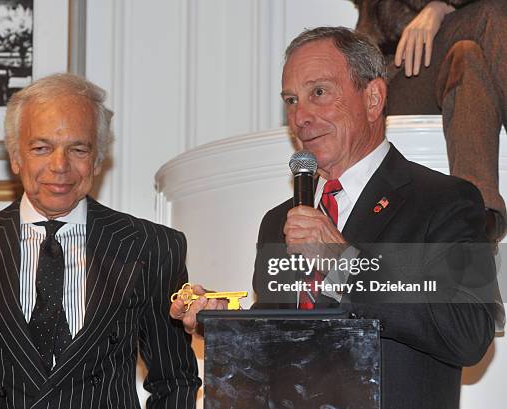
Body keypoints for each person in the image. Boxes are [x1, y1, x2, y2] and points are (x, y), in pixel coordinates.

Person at [170, 27, 499, 409]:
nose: (301, 117)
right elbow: (281, 347)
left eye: (319, 93)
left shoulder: (445, 200)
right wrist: (223, 323)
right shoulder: (279, 220)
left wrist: (343, 263)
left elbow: (469, 333)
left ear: (373, 98)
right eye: (291, 100)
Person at [0, 73, 201, 408]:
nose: (60, 166)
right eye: (41, 148)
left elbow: (174, 381)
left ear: (97, 159)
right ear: (15, 157)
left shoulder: (153, 247)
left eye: (78, 149)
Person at [350, 0, 507, 242]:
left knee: (466, 56)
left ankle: (475, 214)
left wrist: (439, 8)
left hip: (448, 56)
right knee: (492, 13)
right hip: (394, 76)